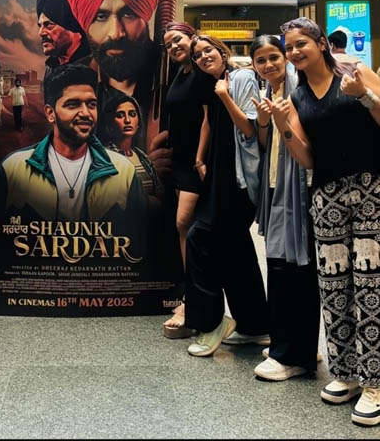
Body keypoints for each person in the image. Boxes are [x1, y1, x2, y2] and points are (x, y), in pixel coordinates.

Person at [271, 17, 380, 426]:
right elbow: (306, 158)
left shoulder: (355, 71)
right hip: (327, 195)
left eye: (301, 43)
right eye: (289, 47)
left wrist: (364, 96)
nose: (294, 52)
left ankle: (375, 382)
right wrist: (282, 125)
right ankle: (347, 372)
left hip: (371, 189)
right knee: (334, 287)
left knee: (370, 286)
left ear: (320, 43)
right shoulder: (298, 96)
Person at [184, 34, 269, 357]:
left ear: (222, 50)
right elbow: (210, 122)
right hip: (219, 173)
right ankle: (255, 325)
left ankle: (211, 323)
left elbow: (249, 129)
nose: (203, 56)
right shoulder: (213, 82)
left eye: (208, 50)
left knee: (199, 237)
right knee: (236, 251)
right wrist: (200, 158)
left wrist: (225, 95)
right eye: (197, 55)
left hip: (237, 180)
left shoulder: (241, 77)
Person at [0, 63, 145, 237]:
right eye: (73, 105)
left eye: (91, 104)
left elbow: (138, 237)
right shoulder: (12, 169)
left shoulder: (123, 171)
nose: (85, 113)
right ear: (50, 113)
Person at [249, 35, 320, 381]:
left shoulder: (298, 90)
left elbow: (303, 142)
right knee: (281, 268)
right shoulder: (270, 91)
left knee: (295, 271)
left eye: (274, 57)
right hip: (278, 188)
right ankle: (290, 345)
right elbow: (266, 144)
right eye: (261, 60)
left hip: (299, 191)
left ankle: (294, 354)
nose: (269, 65)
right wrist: (265, 121)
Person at [65, 0, 159, 150]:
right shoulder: (70, 81)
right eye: (101, 17)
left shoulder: (175, 78)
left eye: (129, 14)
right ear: (86, 23)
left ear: (145, 17)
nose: (116, 33)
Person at [160, 22, 215, 339]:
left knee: (185, 223)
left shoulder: (201, 73)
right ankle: (190, 295)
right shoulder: (179, 74)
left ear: (192, 38)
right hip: (179, 160)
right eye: (168, 44)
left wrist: (200, 158)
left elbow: (207, 118)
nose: (173, 47)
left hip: (196, 162)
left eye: (177, 40)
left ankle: (193, 299)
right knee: (184, 229)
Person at [98, 94, 162, 208]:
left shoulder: (143, 158)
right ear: (110, 123)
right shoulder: (105, 157)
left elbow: (160, 194)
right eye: (120, 115)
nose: (127, 120)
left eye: (132, 114)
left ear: (138, 123)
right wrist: (147, 201)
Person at [36, 0, 88, 79]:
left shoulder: (94, 66)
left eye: (49, 25)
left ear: (70, 27)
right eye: (40, 26)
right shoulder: (51, 66)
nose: (40, 33)